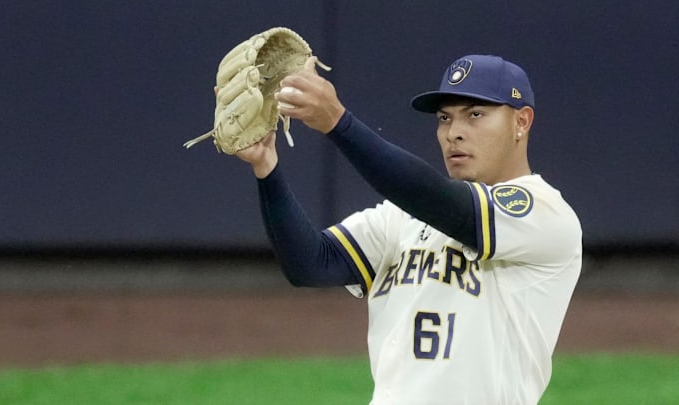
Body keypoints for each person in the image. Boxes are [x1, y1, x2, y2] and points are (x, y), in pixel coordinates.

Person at [236, 54, 582, 404]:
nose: (454, 133)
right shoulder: (402, 217)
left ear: (521, 122)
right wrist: (267, 167)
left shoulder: (545, 214)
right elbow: (311, 263)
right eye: (445, 118)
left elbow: (446, 205)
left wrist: (338, 123)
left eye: (475, 115)